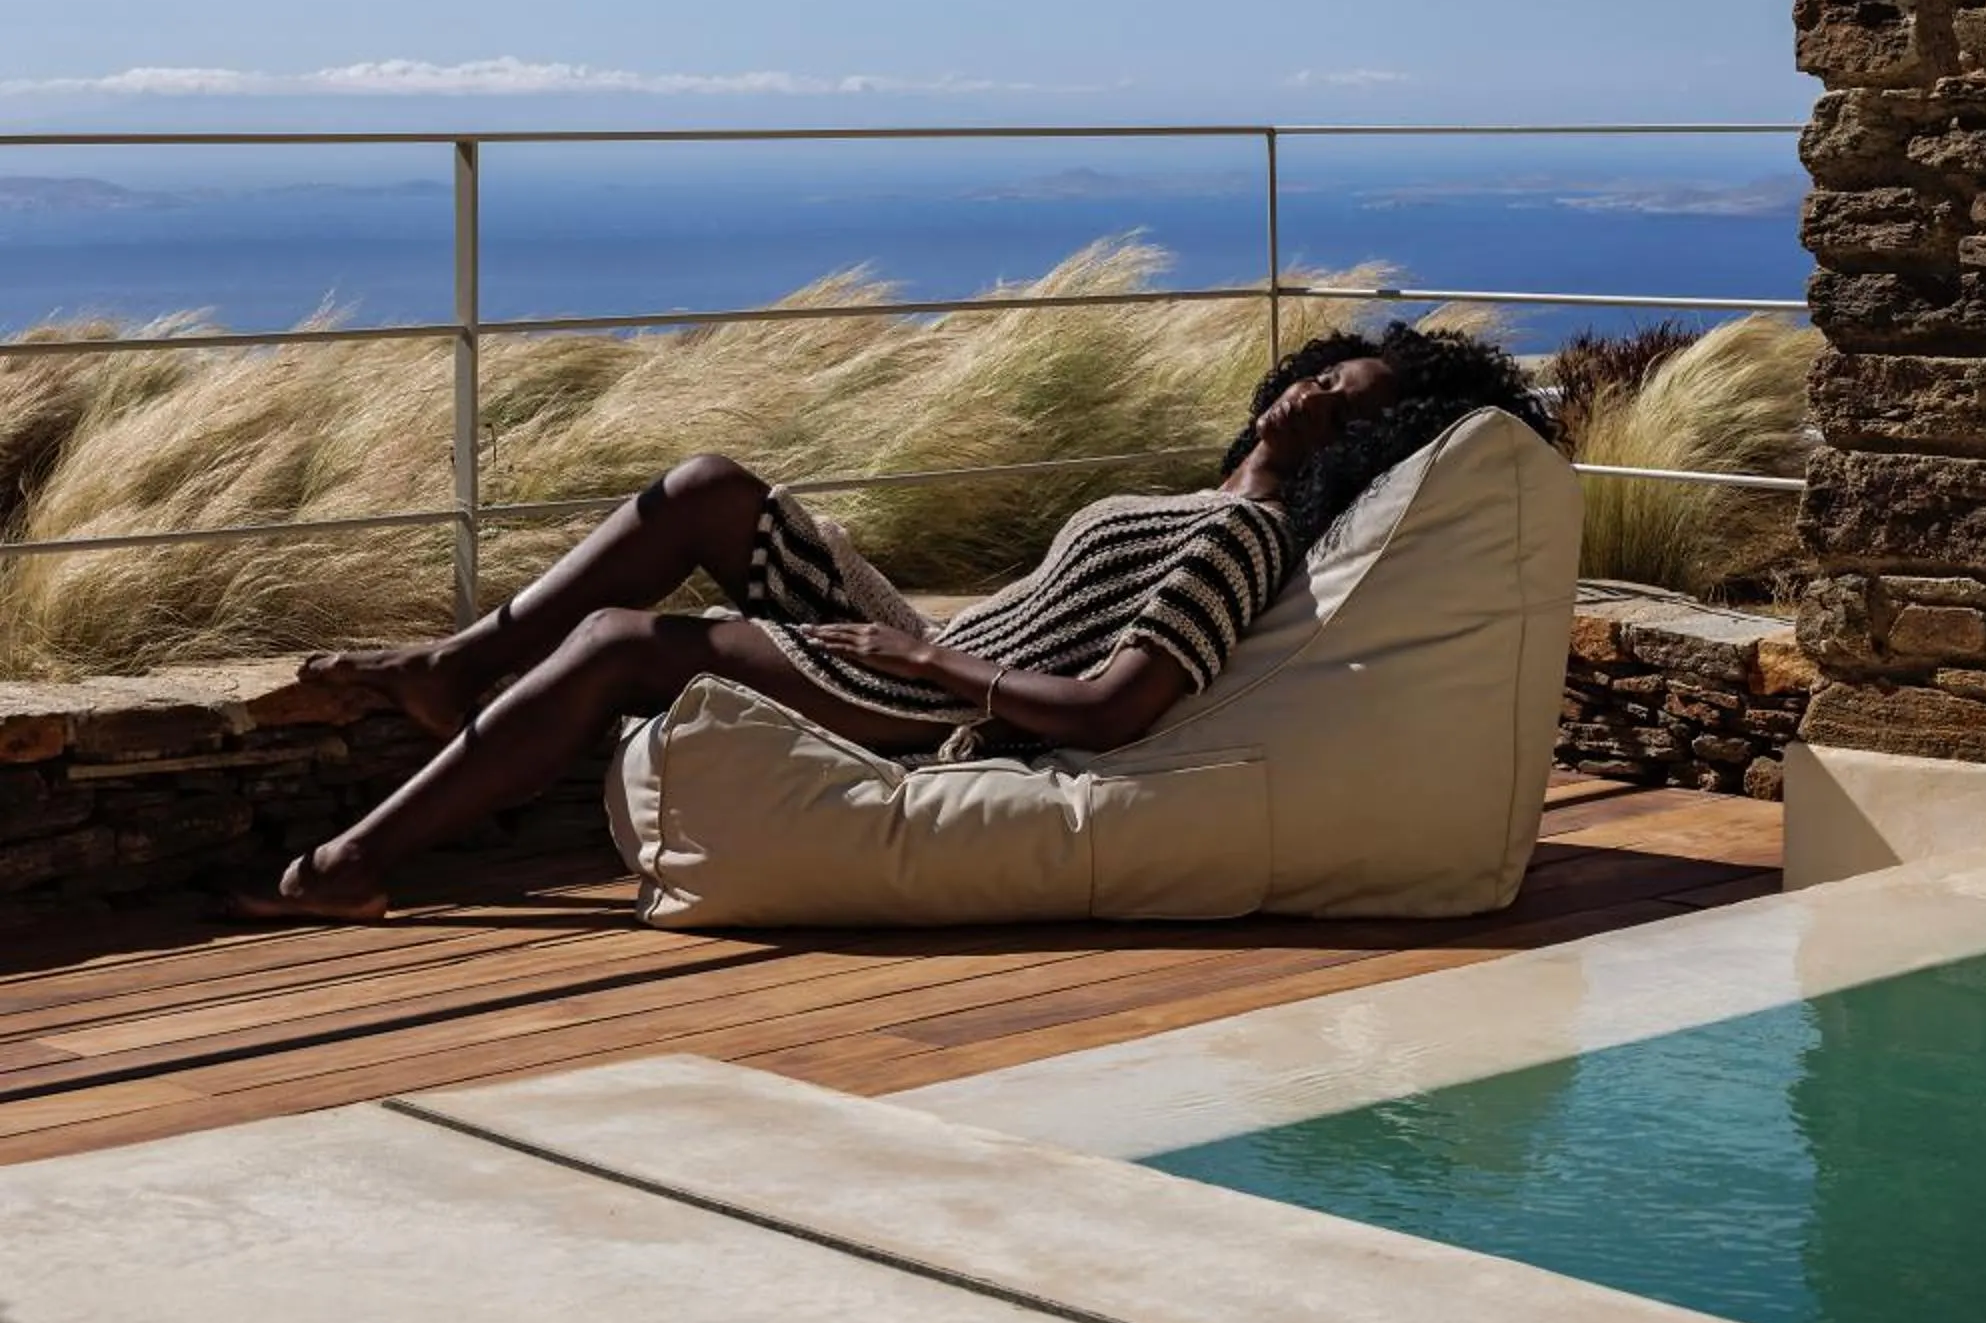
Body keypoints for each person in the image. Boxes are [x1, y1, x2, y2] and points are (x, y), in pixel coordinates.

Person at [238, 322, 1545, 922]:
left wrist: (925, 660)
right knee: (706, 489)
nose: (1310, 397)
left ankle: (356, 863)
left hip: (931, 698)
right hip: (925, 646)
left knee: (623, 647)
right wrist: (915, 633)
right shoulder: (1206, 496)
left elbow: (1116, 709)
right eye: (1322, 376)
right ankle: (459, 666)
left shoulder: (1241, 538)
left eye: (1341, 406)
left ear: (1355, 447)